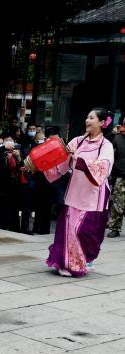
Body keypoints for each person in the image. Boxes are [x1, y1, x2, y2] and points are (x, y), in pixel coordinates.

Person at [43, 108, 114, 277]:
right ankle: (66, 262)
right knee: (68, 229)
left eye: (91, 118)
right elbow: (62, 161)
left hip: (94, 194)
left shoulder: (106, 145)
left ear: (102, 123)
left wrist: (80, 161)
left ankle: (84, 259)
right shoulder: (77, 141)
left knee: (85, 231)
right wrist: (41, 164)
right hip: (75, 190)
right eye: (87, 117)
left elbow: (104, 167)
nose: (87, 121)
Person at [107, 120, 125, 237]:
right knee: (118, 203)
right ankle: (115, 228)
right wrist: (112, 133)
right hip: (121, 175)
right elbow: (109, 153)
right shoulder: (117, 138)